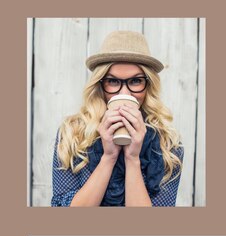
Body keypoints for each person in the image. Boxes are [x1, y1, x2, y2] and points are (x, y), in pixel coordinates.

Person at [51, 30, 183, 207]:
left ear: (148, 85)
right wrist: (109, 157)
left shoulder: (168, 146)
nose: (124, 93)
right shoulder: (72, 134)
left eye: (135, 81)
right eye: (113, 81)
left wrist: (132, 159)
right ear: (100, 85)